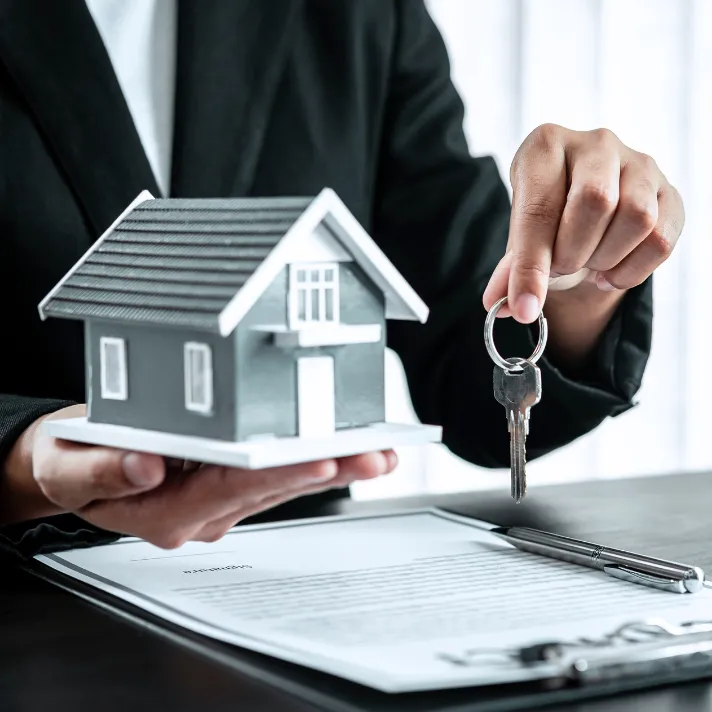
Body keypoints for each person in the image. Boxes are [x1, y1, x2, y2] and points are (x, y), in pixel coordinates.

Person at [0, 0, 683, 556]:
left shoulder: (358, 13)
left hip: (295, 591)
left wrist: (582, 268)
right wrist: (17, 458)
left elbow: (470, 355)